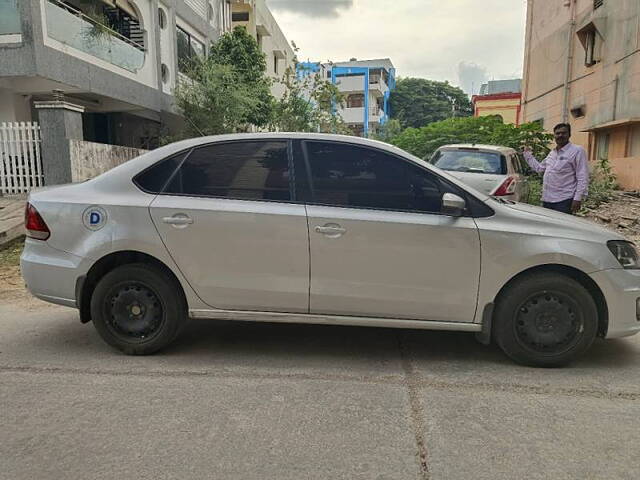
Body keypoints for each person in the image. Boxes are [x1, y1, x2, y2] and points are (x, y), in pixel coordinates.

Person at [523, 123, 589, 214]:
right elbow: (539, 168)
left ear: (569, 135)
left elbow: (582, 176)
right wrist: (527, 155)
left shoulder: (577, 151)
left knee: (562, 227)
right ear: (554, 136)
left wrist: (578, 198)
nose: (560, 135)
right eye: (557, 133)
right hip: (547, 199)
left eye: (563, 133)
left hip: (564, 200)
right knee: (549, 227)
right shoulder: (552, 153)